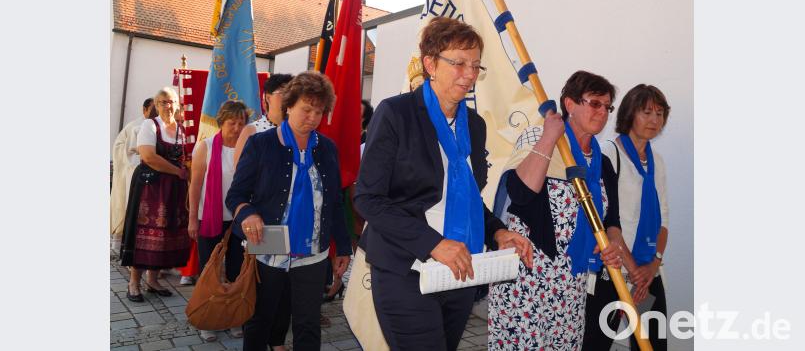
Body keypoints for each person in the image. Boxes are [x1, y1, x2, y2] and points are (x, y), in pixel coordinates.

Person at [354, 17, 534, 351]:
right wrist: (433, 243)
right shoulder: (396, 113)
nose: (469, 74)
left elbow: (466, 199)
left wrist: (497, 231)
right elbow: (367, 198)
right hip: (406, 267)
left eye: (476, 65)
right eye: (459, 63)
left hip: (460, 270)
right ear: (430, 64)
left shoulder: (475, 125)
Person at [488, 70, 625, 351]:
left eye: (607, 106)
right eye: (595, 103)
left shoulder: (603, 164)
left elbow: (611, 221)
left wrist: (611, 243)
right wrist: (550, 137)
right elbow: (522, 194)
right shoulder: (537, 137)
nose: (603, 112)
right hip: (527, 278)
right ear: (570, 104)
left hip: (571, 283)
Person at [225, 71, 352, 351]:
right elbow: (235, 195)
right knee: (260, 320)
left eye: (319, 111)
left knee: (308, 325)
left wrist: (343, 247)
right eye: (307, 109)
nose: (313, 117)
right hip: (268, 245)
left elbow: (335, 203)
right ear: (289, 105)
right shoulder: (262, 144)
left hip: (313, 252)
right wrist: (249, 214)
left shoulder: (327, 148)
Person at [583, 84, 671, 350]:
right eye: (646, 112)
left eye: (659, 113)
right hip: (612, 272)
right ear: (630, 113)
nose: (654, 120)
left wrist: (652, 266)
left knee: (652, 344)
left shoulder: (657, 161)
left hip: (647, 272)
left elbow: (664, 219)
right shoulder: (609, 154)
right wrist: (633, 271)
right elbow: (605, 219)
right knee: (595, 345)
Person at [232, 73, 294, 351]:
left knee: (287, 289)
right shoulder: (254, 131)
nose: (288, 95)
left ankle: (278, 340)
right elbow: (240, 181)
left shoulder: (300, 132)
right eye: (283, 91)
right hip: (263, 225)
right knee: (264, 290)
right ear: (267, 97)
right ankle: (257, 339)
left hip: (293, 225)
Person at [121, 87, 191, 302]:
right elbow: (149, 156)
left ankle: (152, 280)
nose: (167, 106)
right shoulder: (150, 126)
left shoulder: (181, 129)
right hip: (150, 188)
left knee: (164, 234)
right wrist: (179, 171)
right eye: (162, 102)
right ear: (156, 105)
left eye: (171, 101)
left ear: (177, 104)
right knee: (143, 234)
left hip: (173, 190)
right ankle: (134, 282)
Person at [187, 100, 248, 342]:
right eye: (232, 123)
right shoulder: (206, 147)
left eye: (241, 123)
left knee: (236, 271)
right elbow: (195, 185)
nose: (236, 127)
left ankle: (233, 318)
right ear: (221, 123)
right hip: (209, 218)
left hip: (238, 221)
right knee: (208, 271)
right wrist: (193, 219)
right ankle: (207, 319)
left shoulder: (248, 147)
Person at [111, 98, 156, 250]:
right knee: (126, 203)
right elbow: (131, 150)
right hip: (130, 168)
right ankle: (122, 245)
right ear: (145, 110)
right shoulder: (137, 126)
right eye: (153, 107)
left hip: (140, 168)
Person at [233, 73, 294, 165]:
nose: (288, 98)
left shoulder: (298, 129)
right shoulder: (252, 131)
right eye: (283, 93)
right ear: (268, 98)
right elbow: (240, 170)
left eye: (291, 94)